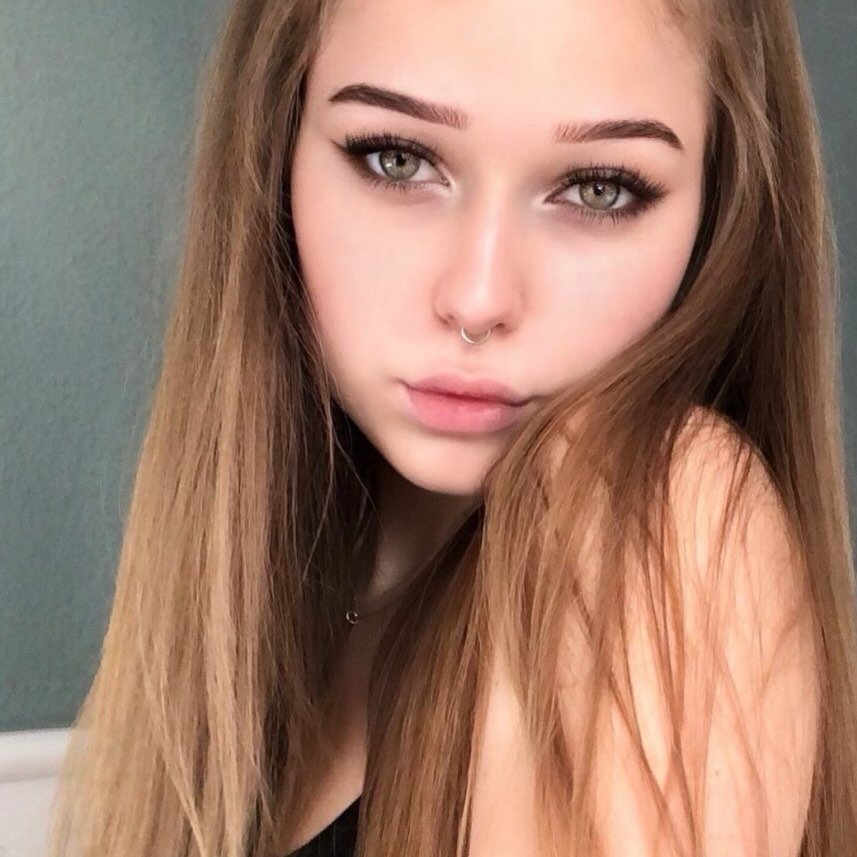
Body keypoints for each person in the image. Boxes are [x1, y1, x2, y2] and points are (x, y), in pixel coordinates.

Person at [47, 0, 857, 855]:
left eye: (598, 187)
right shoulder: (260, 630)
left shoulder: (668, 523)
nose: (476, 298)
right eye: (396, 159)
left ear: (716, 222)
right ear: (275, 148)